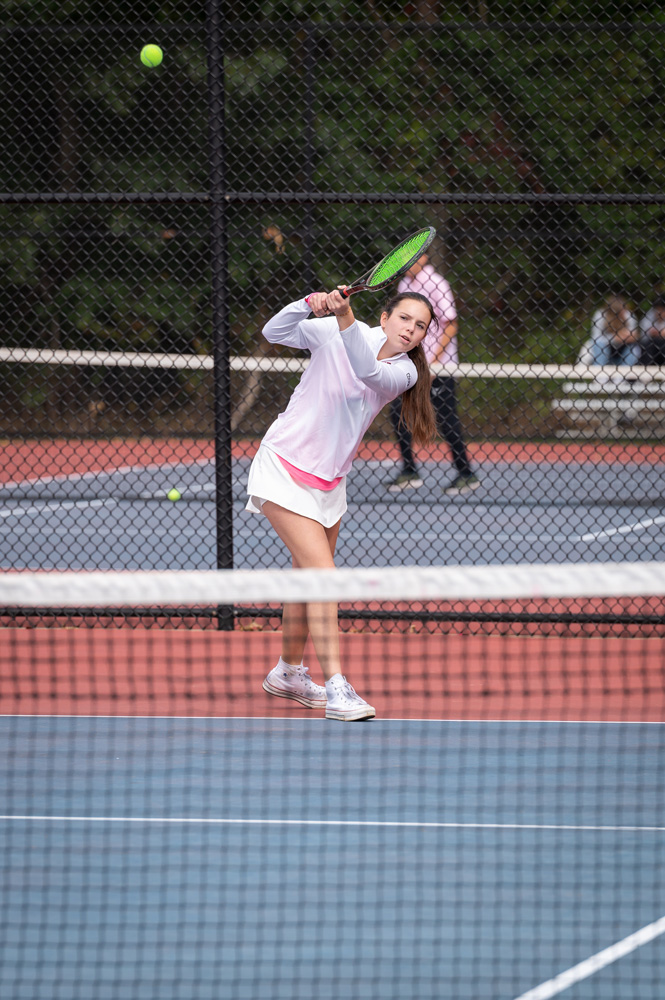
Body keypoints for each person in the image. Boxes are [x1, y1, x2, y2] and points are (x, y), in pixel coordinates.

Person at [245, 288, 437, 721]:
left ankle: (287, 673)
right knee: (324, 577)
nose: (410, 330)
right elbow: (274, 331)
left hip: (330, 482)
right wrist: (306, 303)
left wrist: (344, 315)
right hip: (283, 463)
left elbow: (367, 370)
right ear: (385, 318)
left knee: (306, 579)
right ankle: (336, 687)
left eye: (420, 326)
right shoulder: (333, 331)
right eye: (404, 319)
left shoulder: (404, 372)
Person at [384, 253, 479, 495]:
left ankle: (466, 473)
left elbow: (451, 323)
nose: (405, 264)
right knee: (398, 412)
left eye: (410, 258)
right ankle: (410, 470)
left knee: (446, 418)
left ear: (424, 257)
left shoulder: (437, 282)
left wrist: (433, 363)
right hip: (410, 364)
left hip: (439, 367)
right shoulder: (405, 285)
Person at [578, 294, 641, 366]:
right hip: (604, 348)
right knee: (599, 345)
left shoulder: (628, 315)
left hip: (622, 348)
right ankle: (599, 371)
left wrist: (628, 337)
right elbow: (596, 338)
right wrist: (614, 338)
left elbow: (633, 335)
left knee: (633, 349)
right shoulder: (601, 315)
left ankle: (624, 372)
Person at [639, 294, 665, 367]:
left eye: (662, 310)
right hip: (651, 345)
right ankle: (646, 367)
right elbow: (643, 335)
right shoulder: (649, 315)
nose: (659, 312)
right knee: (651, 343)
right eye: (657, 309)